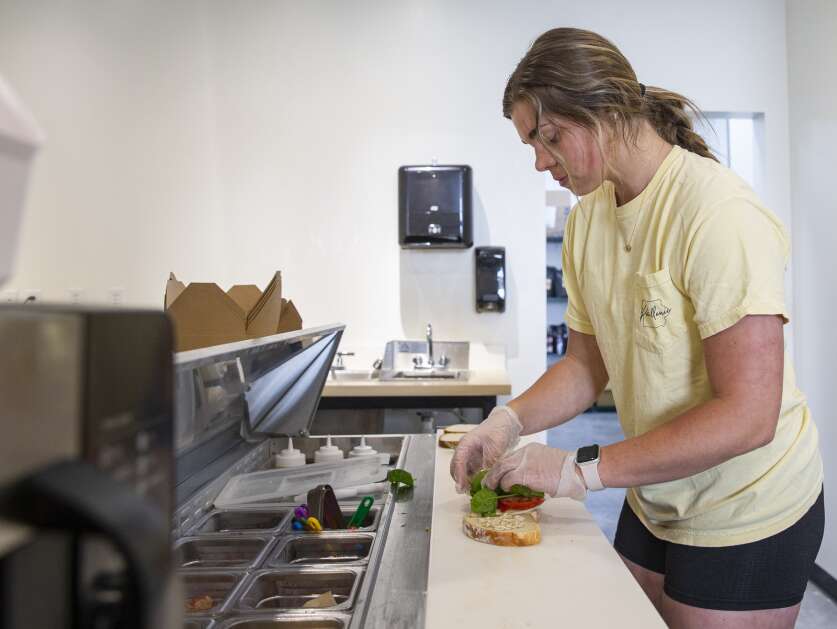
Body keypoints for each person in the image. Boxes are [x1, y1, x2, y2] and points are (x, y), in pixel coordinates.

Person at [450, 27, 824, 629]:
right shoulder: (587, 219)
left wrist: (579, 469)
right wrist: (508, 421)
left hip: (744, 506)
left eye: (550, 137)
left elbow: (751, 415)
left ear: (605, 110)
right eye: (531, 143)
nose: (540, 160)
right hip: (658, 495)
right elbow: (584, 366)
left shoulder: (717, 214)